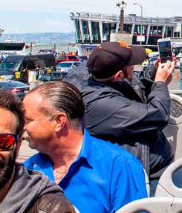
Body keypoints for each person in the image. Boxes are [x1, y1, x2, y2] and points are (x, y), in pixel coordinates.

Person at [65, 41, 182, 196]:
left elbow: (132, 86)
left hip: (151, 164)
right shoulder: (100, 104)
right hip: (146, 175)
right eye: (132, 65)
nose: (135, 67)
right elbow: (158, 115)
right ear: (119, 75)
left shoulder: (96, 73)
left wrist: (153, 73)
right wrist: (161, 83)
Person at [23, 81, 147, 212]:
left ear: (59, 121)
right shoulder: (28, 169)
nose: (23, 127)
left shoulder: (118, 166)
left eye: (28, 120)